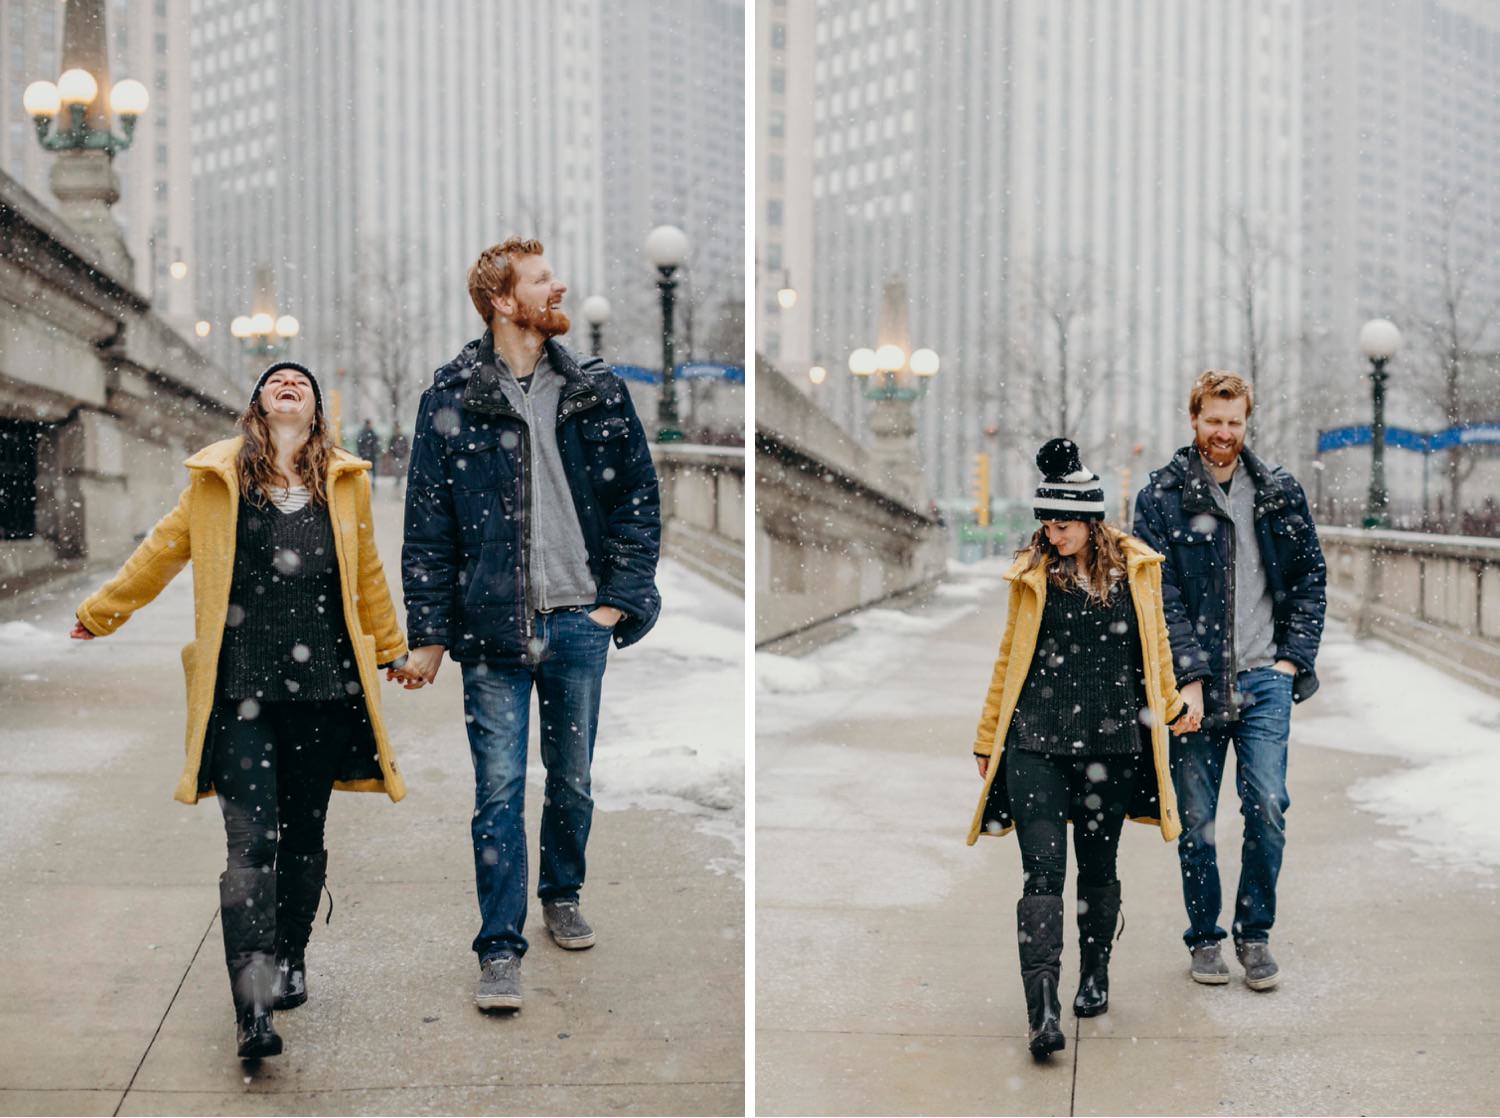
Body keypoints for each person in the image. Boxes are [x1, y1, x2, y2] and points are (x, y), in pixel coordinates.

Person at [71, 361, 425, 1060]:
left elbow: (369, 577)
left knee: (302, 839)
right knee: (250, 845)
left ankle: (291, 955)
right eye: (275, 379)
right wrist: (100, 612)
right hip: (241, 693)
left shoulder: (343, 484)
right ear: (257, 406)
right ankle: (253, 1000)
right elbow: (161, 552)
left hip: (325, 691)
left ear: (317, 407)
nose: (288, 383)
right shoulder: (217, 482)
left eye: (301, 380)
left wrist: (393, 650)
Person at [401, 237, 661, 1013]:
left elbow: (637, 502)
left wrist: (615, 602)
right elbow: (428, 530)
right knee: (500, 791)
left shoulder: (596, 393)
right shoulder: (451, 397)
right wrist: (430, 634)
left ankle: (563, 890)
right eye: (544, 280)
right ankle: (499, 947)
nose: (562, 287)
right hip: (493, 630)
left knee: (573, 779)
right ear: (503, 301)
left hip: (580, 620)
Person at [967, 438, 1199, 1060]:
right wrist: (990, 738)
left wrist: (1174, 706)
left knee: (1097, 869)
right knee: (1041, 873)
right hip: (1036, 743)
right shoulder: (1032, 576)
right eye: (1045, 519)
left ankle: (1095, 971)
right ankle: (1042, 1007)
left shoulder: (1137, 574)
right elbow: (1007, 663)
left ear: (1092, 520)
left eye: (1063, 521)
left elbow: (1156, 653)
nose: (1051, 532)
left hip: (1113, 746)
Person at [1133, 370, 1327, 991]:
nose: (1224, 433)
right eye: (1213, 421)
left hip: (1266, 677)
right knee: (1197, 820)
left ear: (1248, 422)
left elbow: (1308, 581)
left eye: (1234, 422)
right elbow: (1159, 596)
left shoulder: (1277, 493)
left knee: (1268, 806)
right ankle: (1204, 937)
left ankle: (1255, 933)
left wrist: (1292, 660)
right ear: (1194, 420)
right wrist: (1187, 676)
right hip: (1199, 686)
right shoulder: (1161, 496)